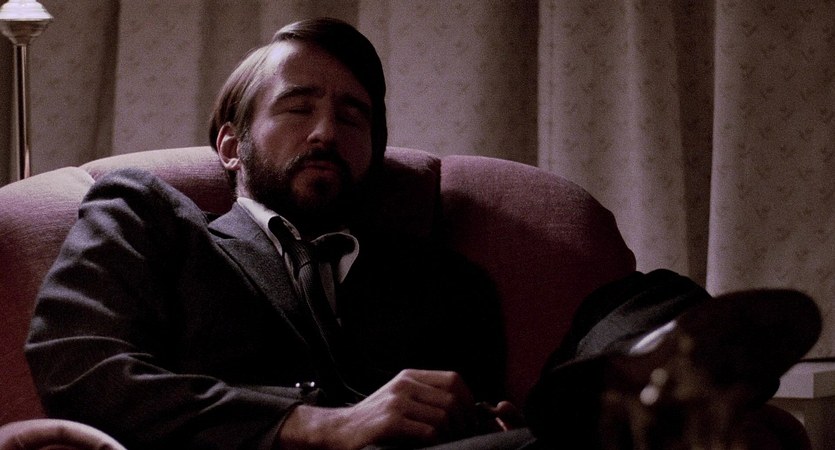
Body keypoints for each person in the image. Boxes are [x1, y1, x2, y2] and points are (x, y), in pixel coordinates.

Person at [24, 17, 821, 450]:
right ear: (230, 144)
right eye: (297, 107)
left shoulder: (443, 279)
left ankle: (617, 393)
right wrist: (315, 424)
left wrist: (491, 415)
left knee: (646, 296)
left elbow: (468, 413)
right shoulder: (147, 218)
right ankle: (616, 418)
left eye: (354, 116)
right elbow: (83, 368)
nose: (327, 131)